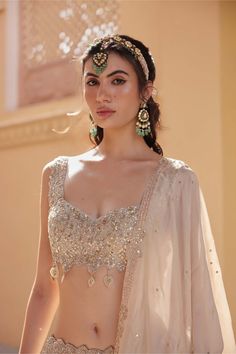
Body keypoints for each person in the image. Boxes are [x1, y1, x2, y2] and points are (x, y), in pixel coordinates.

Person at [19, 34, 235, 354]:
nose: (102, 94)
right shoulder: (56, 174)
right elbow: (42, 288)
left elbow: (198, 298)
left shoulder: (174, 182)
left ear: (145, 92)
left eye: (117, 81)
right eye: (92, 82)